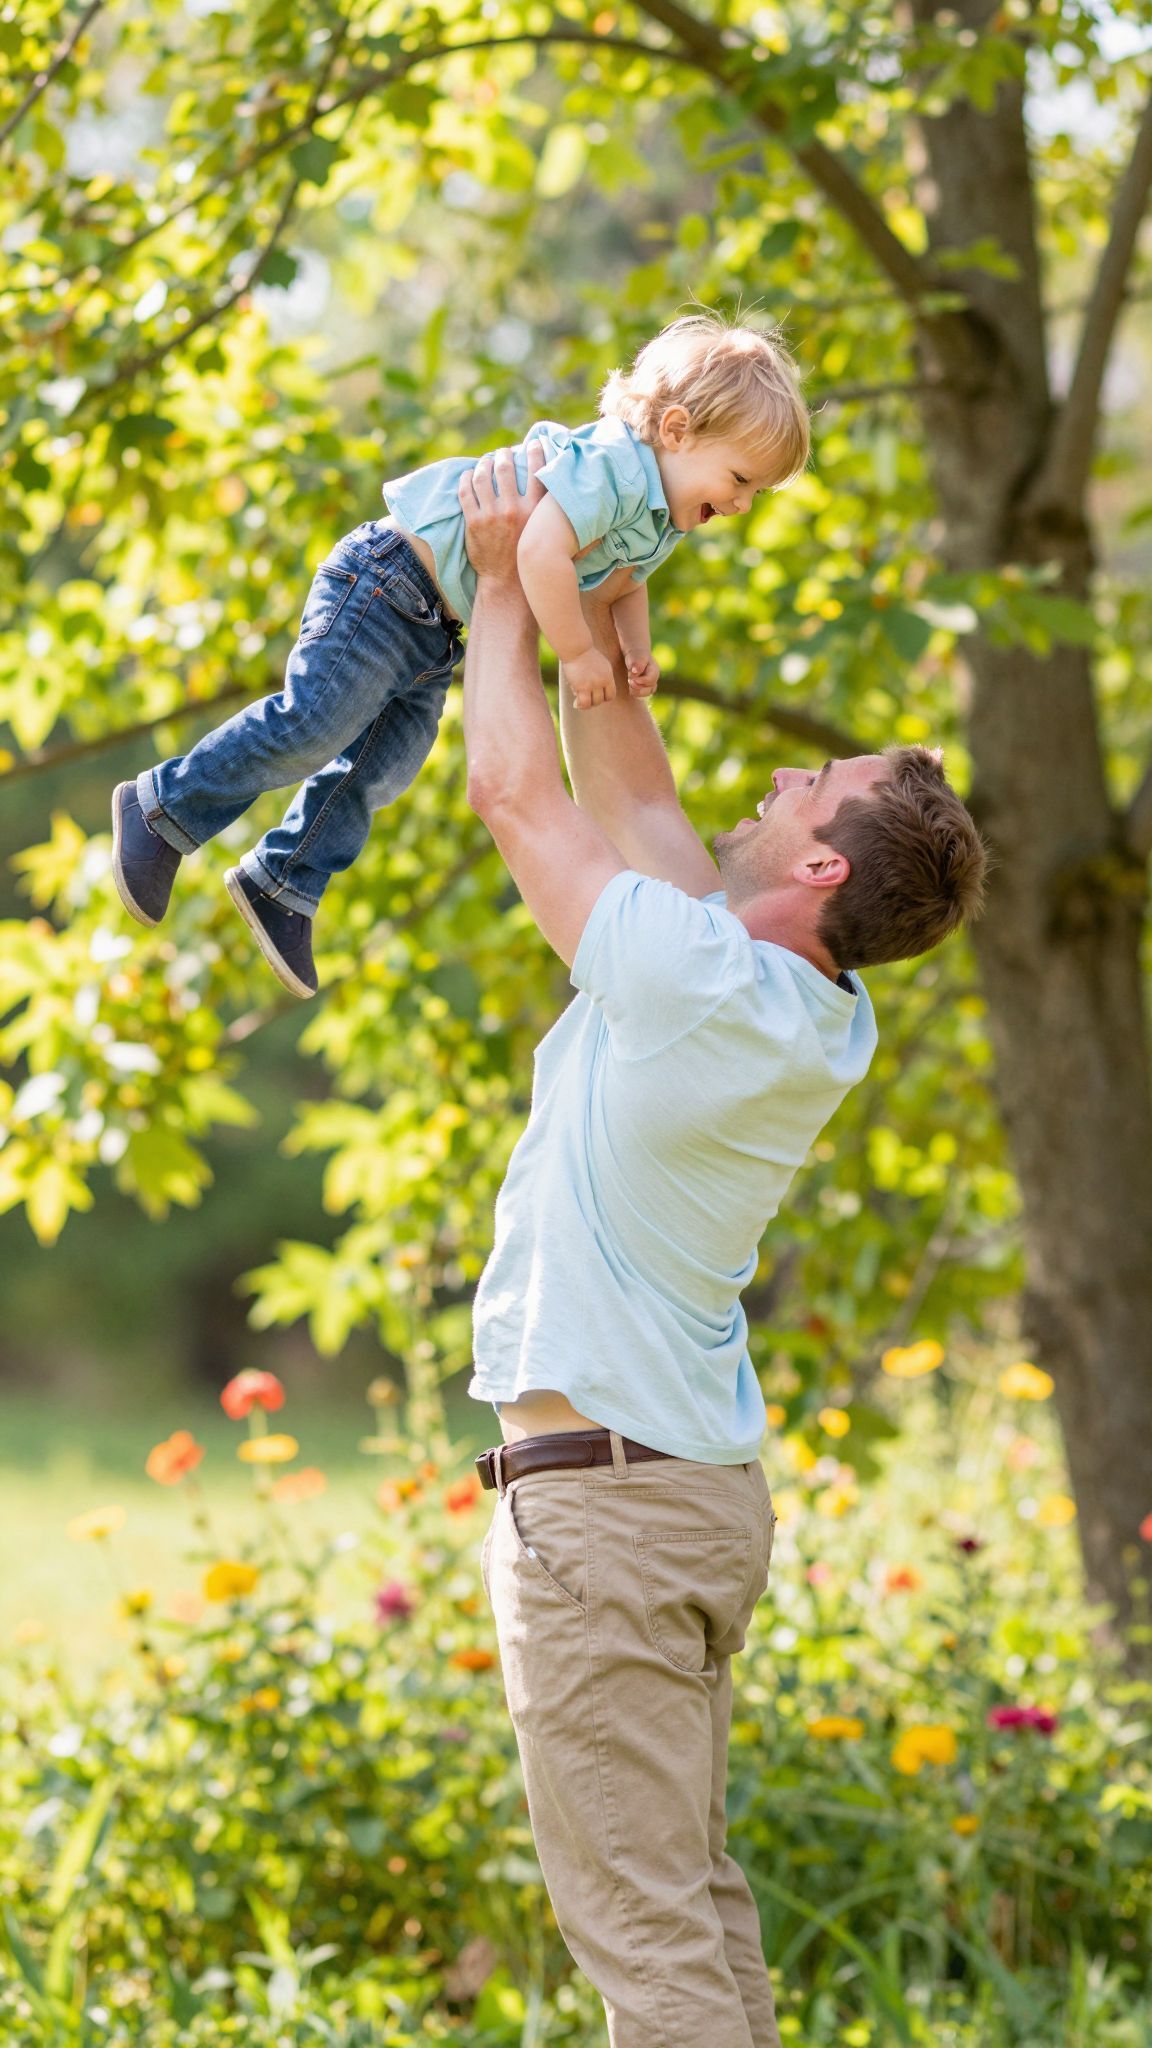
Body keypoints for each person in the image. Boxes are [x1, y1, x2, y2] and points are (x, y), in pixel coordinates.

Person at [457, 445, 987, 2048]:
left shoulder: (700, 982)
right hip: (679, 1497)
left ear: (821, 867)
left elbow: (520, 796)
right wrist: (606, 588)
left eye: (803, 794)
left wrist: (499, 584)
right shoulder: (809, 1006)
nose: (770, 787)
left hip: (612, 1517)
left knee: (647, 1938)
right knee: (689, 1912)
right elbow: (643, 797)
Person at [109, 313, 808, 999]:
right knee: (314, 725)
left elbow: (628, 582)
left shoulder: (662, 513)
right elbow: (539, 551)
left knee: (387, 765)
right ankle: (161, 807)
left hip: (436, 625)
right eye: (741, 479)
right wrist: (579, 654)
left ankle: (284, 881)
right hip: (388, 581)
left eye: (758, 492)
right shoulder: (617, 467)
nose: (745, 503)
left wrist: (634, 649)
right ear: (680, 432)